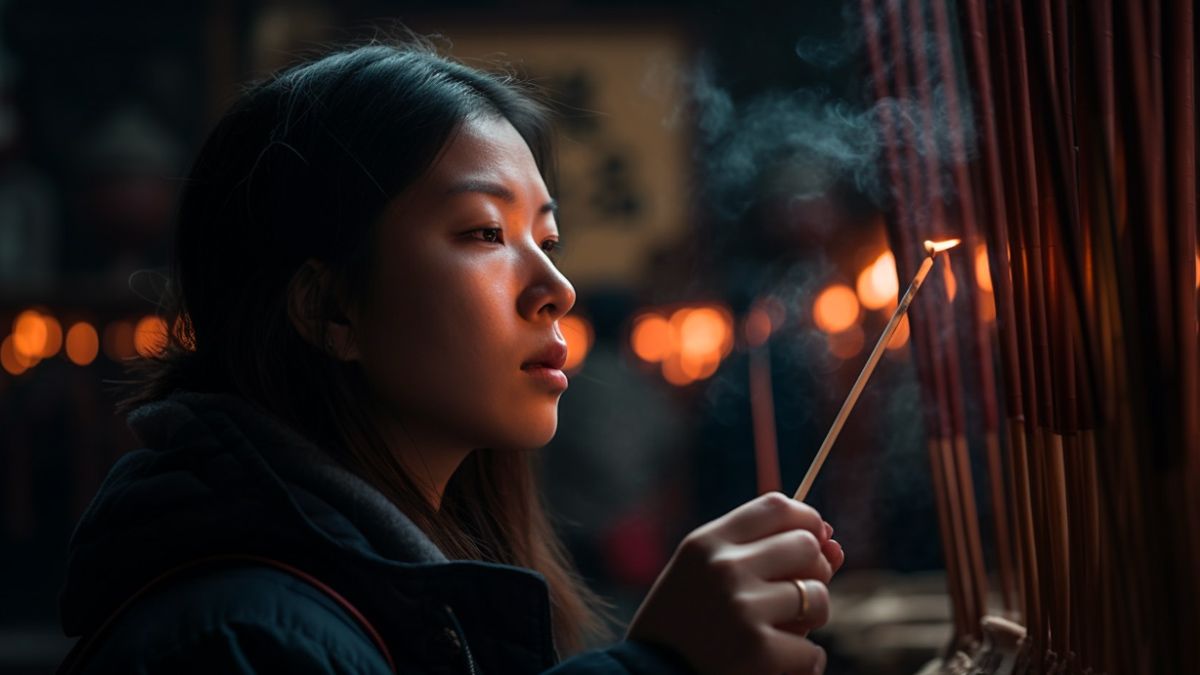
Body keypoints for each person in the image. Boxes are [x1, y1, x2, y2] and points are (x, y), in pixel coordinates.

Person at [56, 39, 845, 675]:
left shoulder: (404, 594)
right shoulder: (245, 638)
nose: (556, 288)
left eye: (550, 238)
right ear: (329, 307)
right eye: (483, 233)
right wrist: (658, 664)